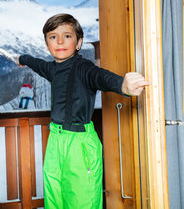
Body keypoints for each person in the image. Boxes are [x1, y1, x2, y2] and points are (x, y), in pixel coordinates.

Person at [15, 13, 149, 209]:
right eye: (53, 37)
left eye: (67, 36)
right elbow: (37, 64)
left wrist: (123, 86)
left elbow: (100, 77)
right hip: (55, 142)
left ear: (78, 43)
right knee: (55, 200)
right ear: (47, 44)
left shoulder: (83, 68)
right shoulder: (52, 69)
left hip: (79, 145)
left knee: (81, 201)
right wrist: (23, 58)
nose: (60, 41)